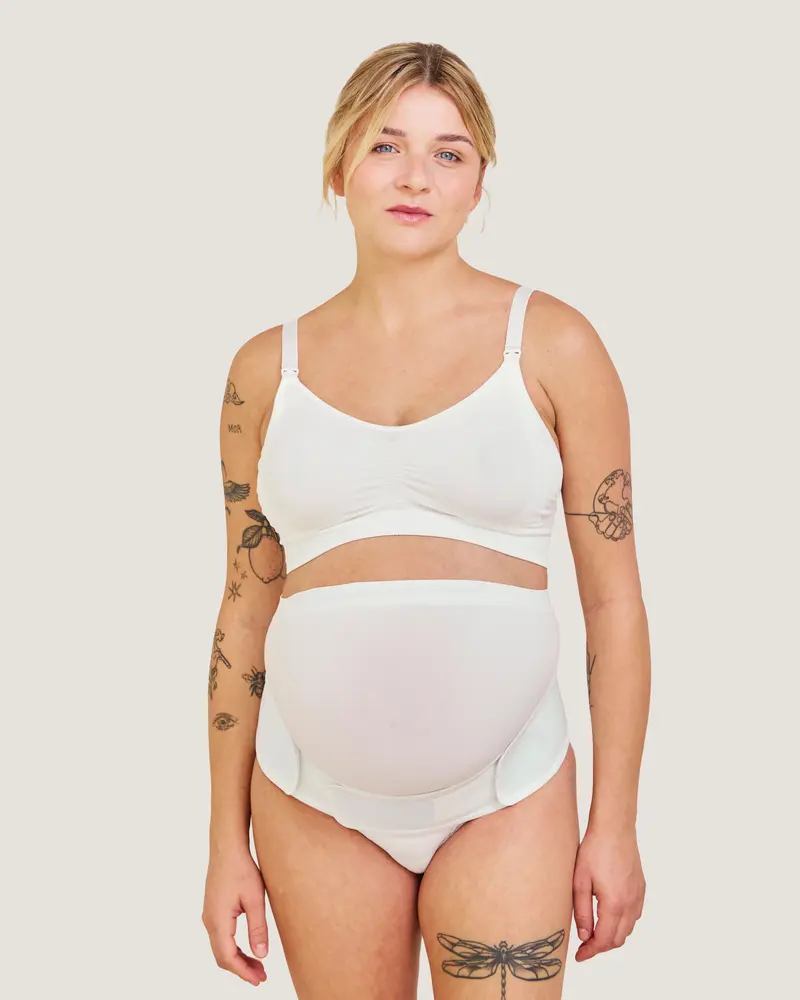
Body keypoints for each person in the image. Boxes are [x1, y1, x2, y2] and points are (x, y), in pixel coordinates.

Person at [202, 41, 650, 999]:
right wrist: (222, 842)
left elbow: (614, 603)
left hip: (509, 793)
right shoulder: (262, 372)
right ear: (338, 166)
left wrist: (615, 824)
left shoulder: (555, 344)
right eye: (386, 145)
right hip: (309, 798)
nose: (416, 177)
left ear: (480, 180)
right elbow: (244, 606)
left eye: (449, 153)